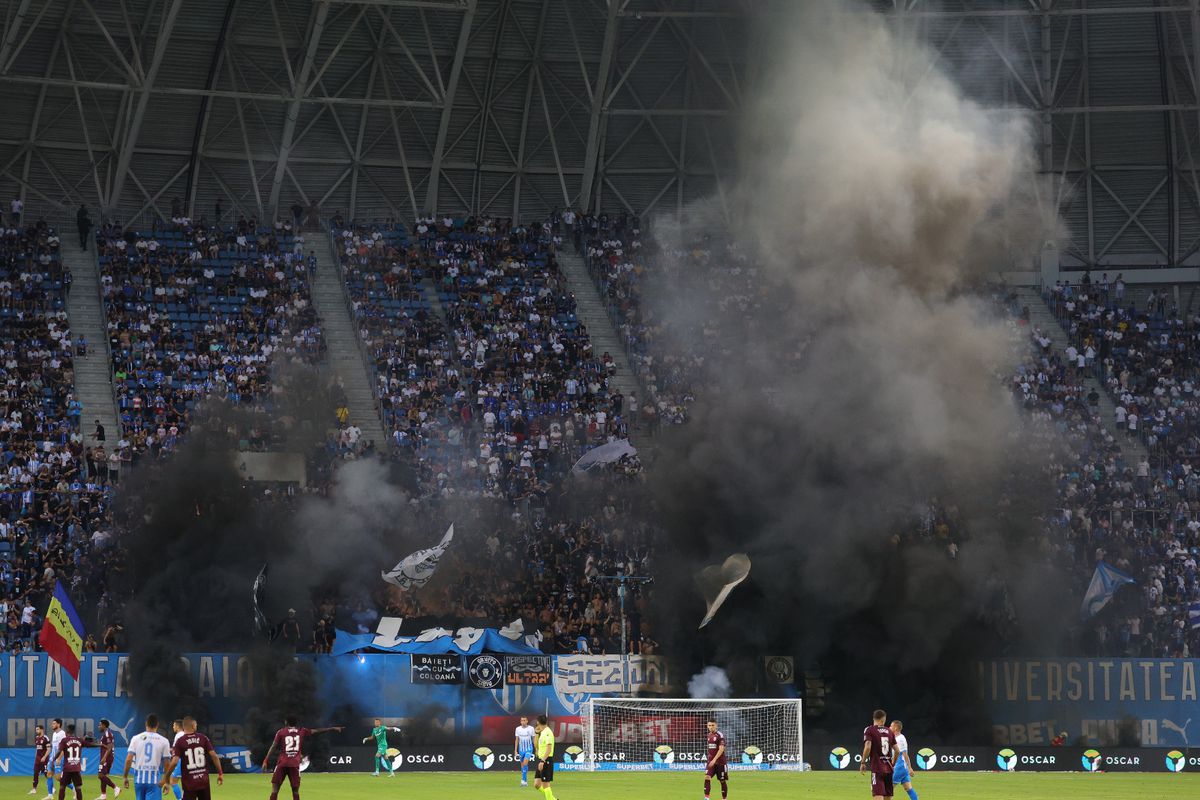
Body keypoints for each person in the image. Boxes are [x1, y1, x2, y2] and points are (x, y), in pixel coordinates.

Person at [261, 716, 342, 800]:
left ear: (286, 722)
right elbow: (316, 731)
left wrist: (265, 760)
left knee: (275, 790)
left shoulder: (281, 732)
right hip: (294, 764)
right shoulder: (302, 731)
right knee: (295, 792)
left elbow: (273, 746)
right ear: (296, 723)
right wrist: (332, 728)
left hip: (282, 763)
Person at [160, 718, 221, 800]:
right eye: (196, 725)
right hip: (203, 781)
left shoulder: (180, 740)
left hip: (189, 782)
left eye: (174, 725)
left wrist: (166, 779)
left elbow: (174, 762)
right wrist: (220, 773)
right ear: (193, 726)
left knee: (173, 782)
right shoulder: (203, 738)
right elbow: (214, 756)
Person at [123, 715, 172, 800]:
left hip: (139, 780)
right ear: (157, 725)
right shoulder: (164, 741)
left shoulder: (136, 738)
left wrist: (125, 777)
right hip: (154, 781)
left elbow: (128, 759)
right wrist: (166, 782)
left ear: (146, 723)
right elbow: (167, 763)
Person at [860, 709, 896, 799]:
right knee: (888, 797)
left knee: (878, 796)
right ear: (883, 720)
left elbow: (868, 747)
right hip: (889, 769)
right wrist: (893, 763)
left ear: (873, 718)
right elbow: (897, 750)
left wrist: (863, 762)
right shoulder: (890, 731)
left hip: (877, 768)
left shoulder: (869, 730)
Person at [52, 723, 85, 800]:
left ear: (68, 730)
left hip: (67, 768)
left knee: (62, 787)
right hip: (76, 768)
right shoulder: (79, 739)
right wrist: (101, 745)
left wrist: (54, 759)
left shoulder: (64, 740)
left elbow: (59, 751)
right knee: (78, 788)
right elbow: (90, 744)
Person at [888, 720, 917, 800]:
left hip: (899, 767)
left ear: (896, 728)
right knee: (909, 789)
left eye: (891, 726)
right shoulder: (897, 738)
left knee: (888, 791)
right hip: (903, 768)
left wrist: (910, 767)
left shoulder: (900, 739)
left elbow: (904, 754)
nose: (889, 727)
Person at [97, 718, 121, 799]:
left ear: (104, 725)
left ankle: (116, 788)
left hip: (107, 757)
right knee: (103, 776)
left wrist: (104, 758)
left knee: (100, 775)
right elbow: (106, 745)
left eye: (100, 725)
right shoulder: (105, 734)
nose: (98, 726)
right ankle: (103, 795)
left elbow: (110, 747)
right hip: (107, 757)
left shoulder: (108, 734)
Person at [704, 719, 728, 800]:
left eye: (712, 725)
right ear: (707, 726)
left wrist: (714, 760)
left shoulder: (719, 735)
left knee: (722, 781)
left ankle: (724, 798)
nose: (711, 727)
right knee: (707, 777)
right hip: (711, 762)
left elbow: (721, 749)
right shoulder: (709, 735)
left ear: (716, 725)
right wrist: (710, 759)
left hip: (720, 762)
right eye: (709, 725)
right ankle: (706, 798)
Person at [533, 715, 556, 800]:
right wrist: (536, 734)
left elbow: (549, 749)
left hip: (546, 760)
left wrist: (542, 761)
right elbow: (536, 746)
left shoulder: (548, 733)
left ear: (538, 722)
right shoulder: (542, 732)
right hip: (542, 760)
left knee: (545, 785)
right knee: (537, 785)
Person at [43, 718, 66, 800]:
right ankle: (50, 795)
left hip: (59, 758)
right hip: (53, 757)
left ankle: (74, 788)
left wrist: (59, 759)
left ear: (58, 724)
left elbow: (63, 747)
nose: (52, 725)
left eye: (54, 723)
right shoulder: (54, 734)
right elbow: (54, 747)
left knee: (58, 778)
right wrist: (51, 758)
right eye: (52, 724)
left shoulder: (62, 733)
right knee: (49, 774)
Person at [514, 715, 536, 786]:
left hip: (529, 749)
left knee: (525, 762)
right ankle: (525, 781)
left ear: (527, 721)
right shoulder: (517, 729)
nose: (523, 722)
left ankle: (523, 781)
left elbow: (534, 739)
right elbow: (517, 740)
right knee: (522, 765)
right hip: (521, 750)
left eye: (524, 720)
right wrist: (515, 750)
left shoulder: (531, 728)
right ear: (520, 721)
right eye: (522, 720)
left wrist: (536, 748)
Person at [29, 723, 49, 795]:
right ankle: (34, 789)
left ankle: (52, 788)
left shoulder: (46, 738)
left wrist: (44, 757)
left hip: (44, 760)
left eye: (37, 729)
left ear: (41, 729)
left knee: (47, 774)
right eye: (36, 729)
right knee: (35, 774)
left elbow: (49, 749)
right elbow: (37, 749)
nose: (36, 731)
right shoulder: (37, 738)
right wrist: (36, 757)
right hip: (37, 760)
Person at [165, 721, 183, 800]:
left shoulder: (178, 735)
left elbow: (176, 750)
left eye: (173, 725)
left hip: (180, 760)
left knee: (173, 782)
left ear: (177, 726)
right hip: (186, 761)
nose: (173, 727)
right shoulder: (185, 734)